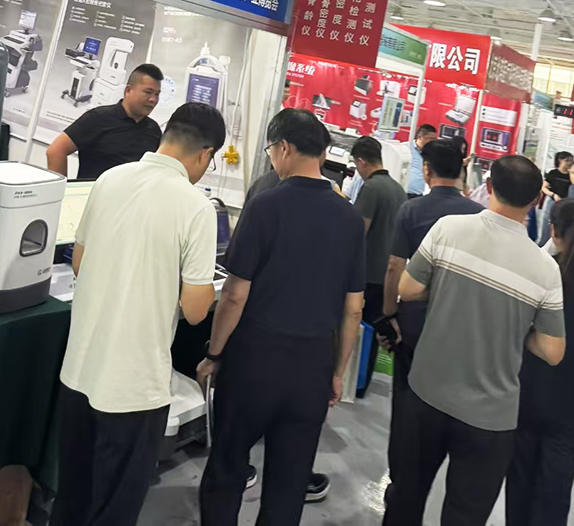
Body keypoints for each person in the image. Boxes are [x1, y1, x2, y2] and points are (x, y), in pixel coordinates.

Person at [53, 102, 224, 526]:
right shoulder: (196, 207)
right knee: (114, 508)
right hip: (134, 388)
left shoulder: (110, 179)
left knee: (71, 497)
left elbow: (79, 262)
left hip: (78, 373)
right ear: (205, 154)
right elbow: (196, 310)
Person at [197, 109, 365, 526]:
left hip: (254, 359)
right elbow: (354, 308)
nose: (272, 158)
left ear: (285, 148)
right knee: (290, 479)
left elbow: (234, 295)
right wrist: (337, 372)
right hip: (313, 364)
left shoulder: (265, 205)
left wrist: (214, 354)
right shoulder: (348, 217)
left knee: (228, 464)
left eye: (271, 149)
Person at [383, 155, 565, 526]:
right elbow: (552, 350)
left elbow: (408, 288)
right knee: (466, 515)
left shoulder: (448, 229)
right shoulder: (545, 269)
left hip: (427, 395)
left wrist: (447, 293)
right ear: (536, 201)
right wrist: (517, 325)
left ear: (490, 187)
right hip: (490, 417)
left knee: (406, 497)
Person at [381, 140, 482, 488]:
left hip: (415, 322)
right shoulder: (477, 215)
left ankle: (401, 478)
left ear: (426, 170)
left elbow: (394, 265)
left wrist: (390, 314)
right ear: (461, 171)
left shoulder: (412, 210)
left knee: (406, 401)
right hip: (459, 323)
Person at [506, 201, 574, 526]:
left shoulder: (536, 274)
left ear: (553, 231)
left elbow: (510, 331)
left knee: (519, 487)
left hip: (529, 398)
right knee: (555, 493)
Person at [352, 135, 407, 391]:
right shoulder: (398, 190)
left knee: (355, 328)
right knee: (374, 333)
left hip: (365, 273)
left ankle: (351, 381)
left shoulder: (371, 189)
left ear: (361, 161)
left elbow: (358, 232)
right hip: (387, 275)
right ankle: (362, 383)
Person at [46, 63, 163, 178]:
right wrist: (62, 189)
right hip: (93, 190)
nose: (153, 99)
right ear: (128, 91)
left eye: (157, 94)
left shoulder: (153, 130)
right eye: (148, 92)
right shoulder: (97, 118)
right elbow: (56, 150)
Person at [406, 123, 437, 197]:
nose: (432, 142)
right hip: (403, 191)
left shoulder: (431, 153)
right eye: (430, 138)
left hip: (418, 193)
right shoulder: (406, 147)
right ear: (420, 137)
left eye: (434, 139)